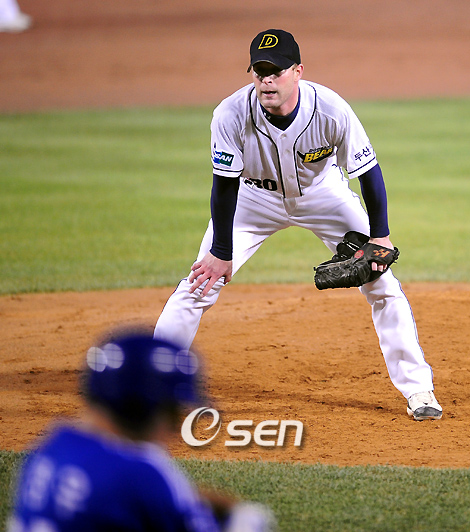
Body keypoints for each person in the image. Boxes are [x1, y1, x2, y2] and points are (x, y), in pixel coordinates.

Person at [154, 29, 442, 422]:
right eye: (259, 72)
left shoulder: (331, 109)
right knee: (200, 282)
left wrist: (380, 237)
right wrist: (221, 252)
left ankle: (419, 389)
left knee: (382, 283)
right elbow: (223, 187)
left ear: (298, 72)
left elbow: (368, 174)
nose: (267, 80)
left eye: (276, 72)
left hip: (323, 195)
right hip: (253, 199)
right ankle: (151, 383)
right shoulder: (230, 114)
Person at [8, 329, 275, 532]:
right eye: (173, 410)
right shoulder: (143, 471)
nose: (175, 426)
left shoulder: (51, 447)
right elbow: (143, 488)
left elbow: (122, 492)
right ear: (144, 408)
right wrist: (247, 522)